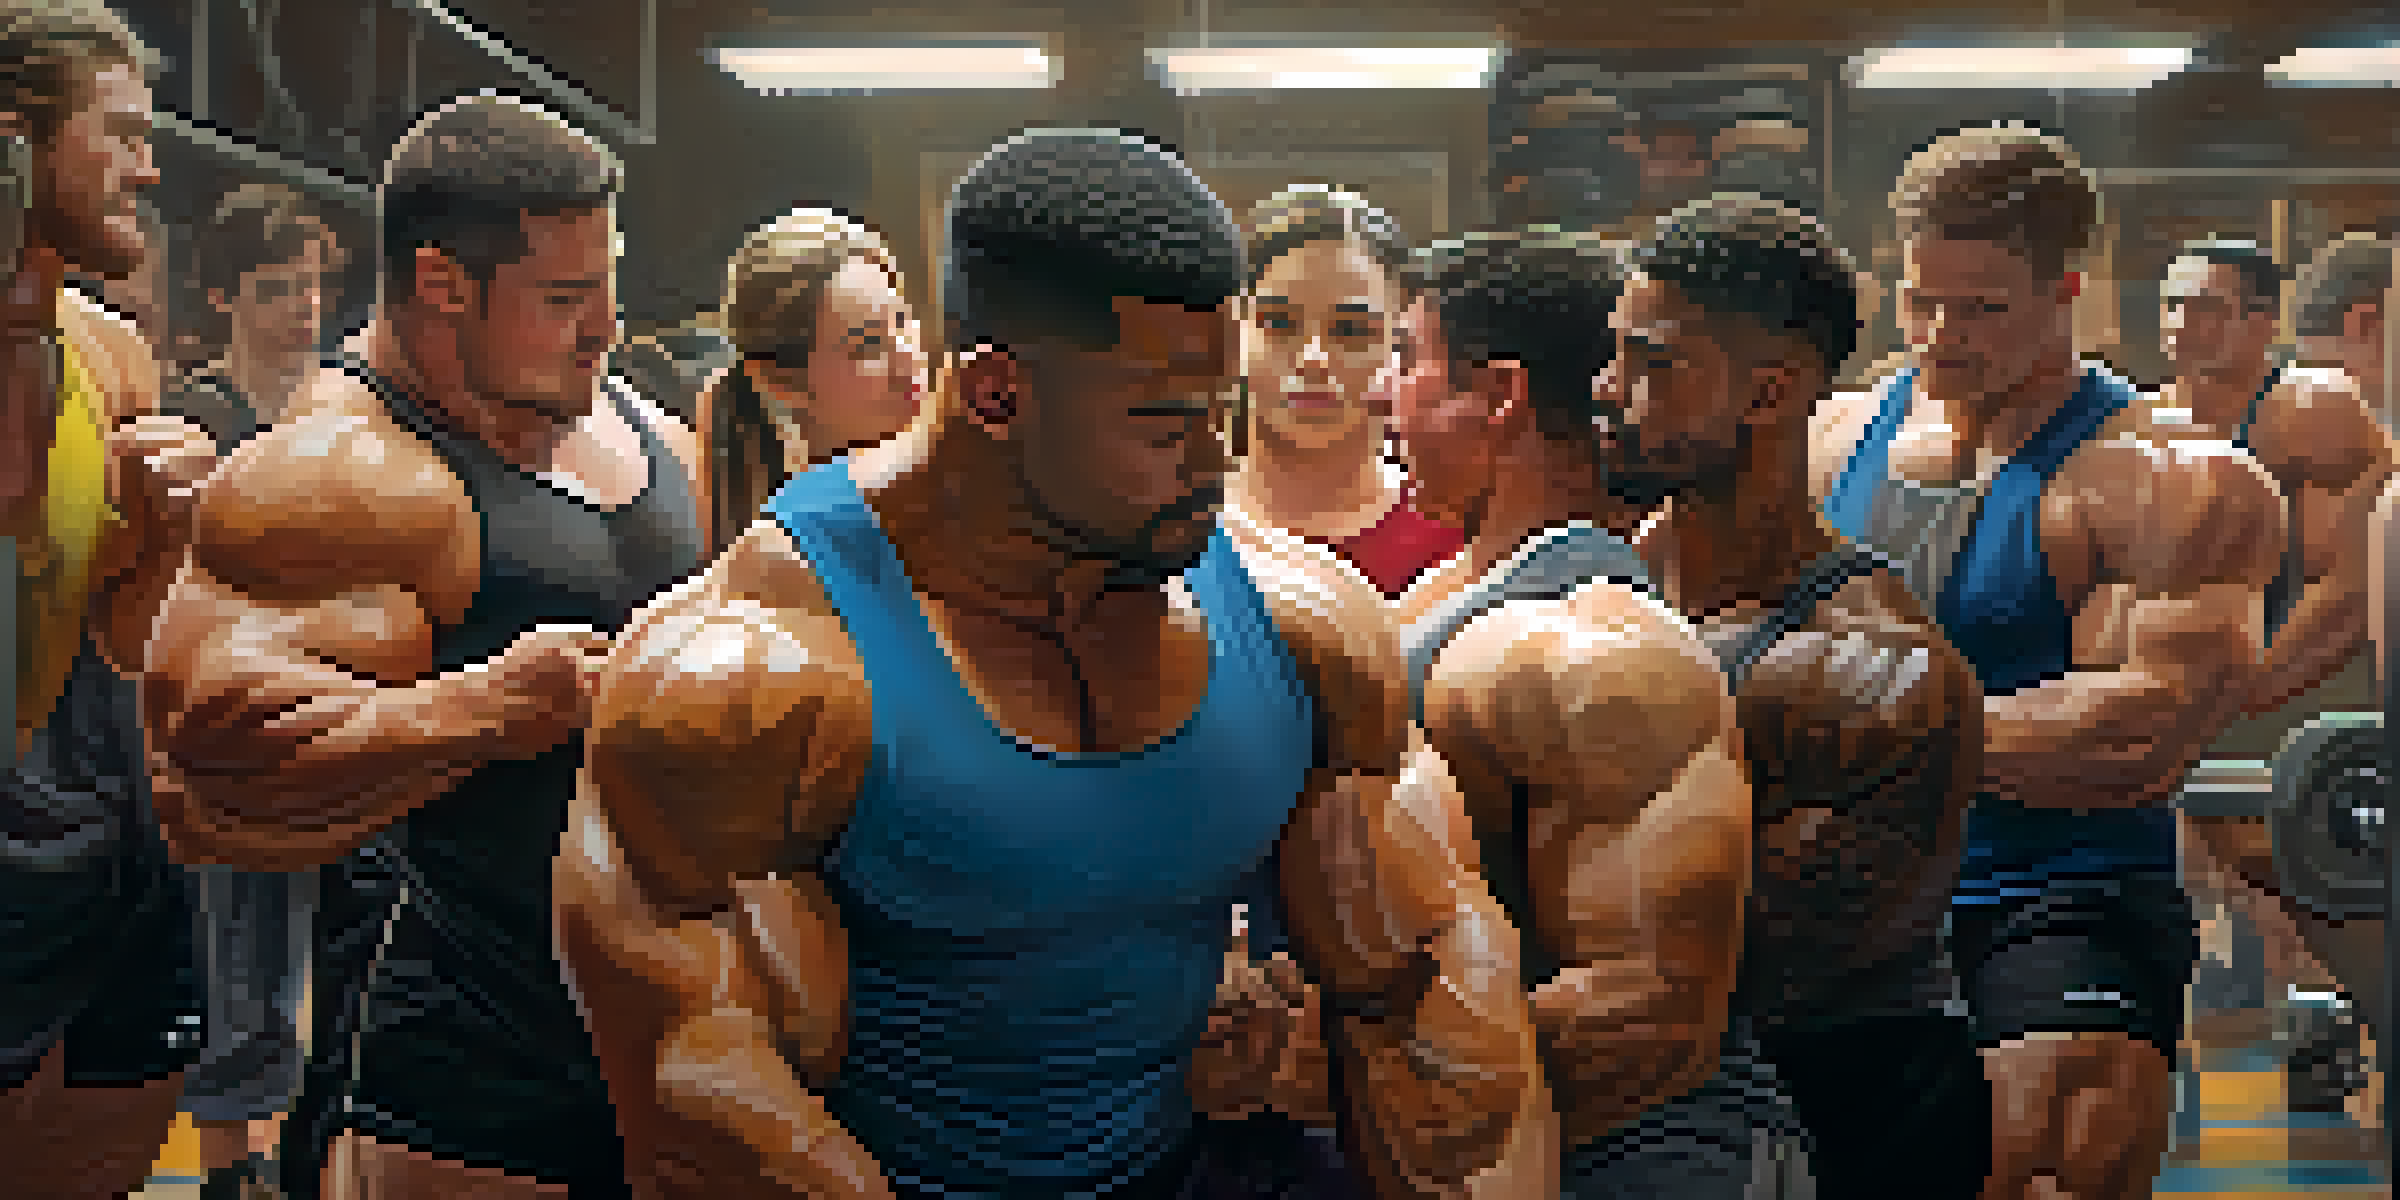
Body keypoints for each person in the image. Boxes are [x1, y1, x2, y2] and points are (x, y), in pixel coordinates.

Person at [551, 127, 1542, 1200]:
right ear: (995, 396)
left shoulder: (1297, 624)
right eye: (1164, 423)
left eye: (1219, 411)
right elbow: (709, 1116)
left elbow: (1433, 1034)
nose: (1215, 463)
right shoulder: (750, 679)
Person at [141, 91, 705, 1199]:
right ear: (443, 284)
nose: (604, 325)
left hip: (655, 1041)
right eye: (564, 297)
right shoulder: (336, 471)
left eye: (608, 284)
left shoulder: (638, 426)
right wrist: (481, 710)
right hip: (457, 1072)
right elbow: (199, 772)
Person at [1811, 123, 2286, 1200]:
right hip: (1848, 899)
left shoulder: (2172, 477)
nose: (1942, 335)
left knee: (2043, 1164)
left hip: (2056, 895)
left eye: (1982, 309)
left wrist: (1848, 729)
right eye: (1921, 302)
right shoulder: (1832, 441)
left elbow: (2131, 739)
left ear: (2069, 289)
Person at [1387, 229, 1792, 1198]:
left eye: (1407, 358)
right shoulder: (1443, 601)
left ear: (1500, 395)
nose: (1379, 394)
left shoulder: (1595, 650)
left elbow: (1644, 1017)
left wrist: (1346, 1081)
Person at [1604, 193, 1988, 1198]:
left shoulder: (1881, 674)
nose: (1611, 389)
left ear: (1768, 393)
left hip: (1852, 1121)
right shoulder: (1600, 589)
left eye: (1654, 365)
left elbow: (1729, 970)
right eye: (1618, 354)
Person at [0, 4, 223, 1198]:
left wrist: (164, 541)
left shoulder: (109, 352)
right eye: (121, 134)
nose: (147, 166)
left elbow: (121, 641)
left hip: (100, 830)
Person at [153, 179, 345, 1200]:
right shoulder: (197, 418)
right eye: (277, 288)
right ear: (224, 298)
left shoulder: (343, 405)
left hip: (344, 701)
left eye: (312, 285)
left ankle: (319, 1141)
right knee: (243, 953)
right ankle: (233, 1168)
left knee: (349, 942)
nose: (302, 307)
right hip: (233, 718)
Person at [1224, 185, 1461, 599]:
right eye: (1278, 323)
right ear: (1234, 332)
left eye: (1351, 330)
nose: (1313, 358)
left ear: (1402, 344)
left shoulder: (1460, 537)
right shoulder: (1175, 529)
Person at [694, 208, 925, 557]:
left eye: (903, 319)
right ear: (780, 382)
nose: (908, 357)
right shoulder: (795, 545)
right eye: (868, 344)